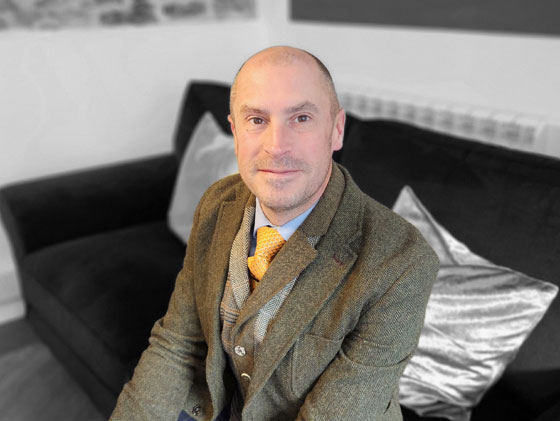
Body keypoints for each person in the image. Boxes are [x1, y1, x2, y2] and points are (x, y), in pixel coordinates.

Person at [110, 46, 439, 421]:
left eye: (301, 118)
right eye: (256, 119)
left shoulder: (401, 261)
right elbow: (178, 343)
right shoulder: (217, 203)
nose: (277, 146)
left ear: (336, 130)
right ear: (235, 131)